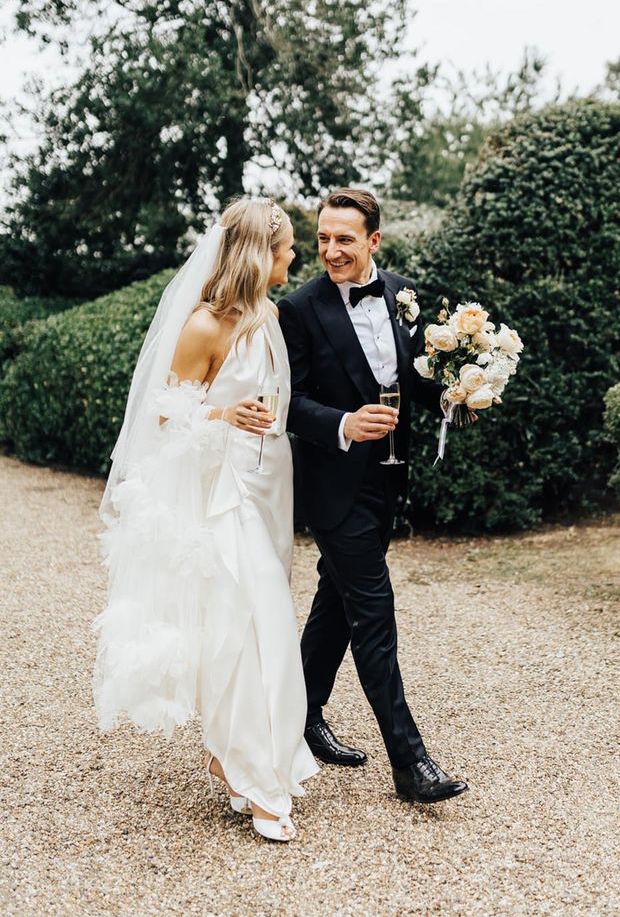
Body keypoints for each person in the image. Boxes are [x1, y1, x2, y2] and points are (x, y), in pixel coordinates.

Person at [94, 198, 318, 843]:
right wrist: (223, 416)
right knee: (250, 630)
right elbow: (163, 416)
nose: (294, 256)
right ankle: (255, 776)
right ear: (261, 252)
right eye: (288, 247)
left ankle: (239, 757)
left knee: (263, 625)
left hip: (269, 483)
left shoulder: (270, 315)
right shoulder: (203, 327)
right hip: (224, 497)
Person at [278, 188, 468, 804]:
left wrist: (455, 392)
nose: (331, 251)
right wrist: (341, 423)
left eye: (345, 240)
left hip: (388, 477)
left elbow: (419, 373)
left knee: (336, 600)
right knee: (372, 611)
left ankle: (300, 720)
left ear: (374, 242)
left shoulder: (403, 296)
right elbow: (288, 401)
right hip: (334, 486)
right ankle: (411, 764)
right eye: (323, 239)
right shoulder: (298, 309)